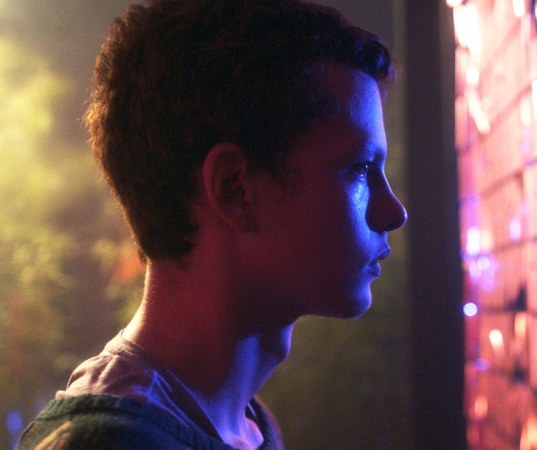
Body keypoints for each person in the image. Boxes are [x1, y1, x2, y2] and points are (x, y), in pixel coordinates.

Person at [18, 0, 406, 448]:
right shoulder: (112, 443)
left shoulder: (243, 424)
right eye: (359, 169)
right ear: (234, 188)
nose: (393, 212)